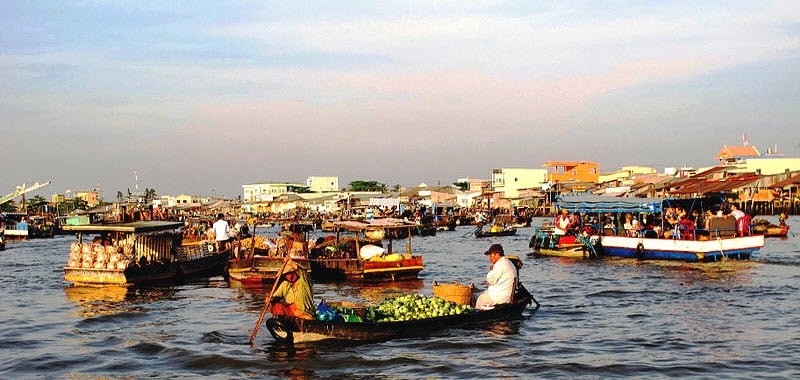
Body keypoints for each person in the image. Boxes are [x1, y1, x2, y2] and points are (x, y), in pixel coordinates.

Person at [475, 243, 518, 310]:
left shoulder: (500, 264)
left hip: (499, 297)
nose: (490, 258)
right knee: (477, 294)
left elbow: (489, 280)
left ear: (496, 254)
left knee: (479, 298)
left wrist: (491, 270)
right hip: (504, 294)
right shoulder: (508, 262)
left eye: (490, 255)